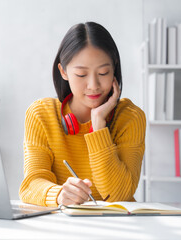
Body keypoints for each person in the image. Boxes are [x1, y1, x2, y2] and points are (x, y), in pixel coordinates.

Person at [19, 22, 146, 207]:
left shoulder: (130, 117)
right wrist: (59, 194)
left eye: (103, 72)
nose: (93, 85)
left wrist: (98, 128)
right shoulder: (41, 114)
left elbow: (119, 195)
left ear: (114, 69)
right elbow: (31, 184)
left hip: (116, 226)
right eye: (81, 74)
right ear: (63, 72)